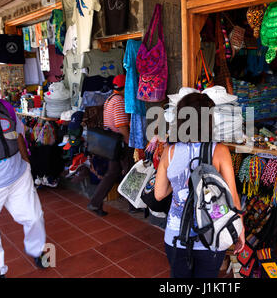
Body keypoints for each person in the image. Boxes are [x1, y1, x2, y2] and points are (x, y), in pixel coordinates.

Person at [154, 92, 245, 278]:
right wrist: (239, 230)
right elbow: (233, 197)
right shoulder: (220, 151)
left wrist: (179, 179)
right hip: (212, 235)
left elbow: (159, 194)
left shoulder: (169, 152)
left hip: (176, 236)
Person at [0, 71, 48, 278]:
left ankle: (37, 249)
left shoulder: (5, 109)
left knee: (34, 216)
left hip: (17, 176)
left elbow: (17, 137)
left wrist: (26, 163)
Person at [87, 74, 134, 217]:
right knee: (128, 170)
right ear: (124, 87)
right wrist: (128, 142)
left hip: (112, 141)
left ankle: (95, 203)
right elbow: (121, 125)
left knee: (114, 172)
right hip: (118, 142)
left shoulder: (110, 99)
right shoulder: (119, 101)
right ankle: (132, 204)